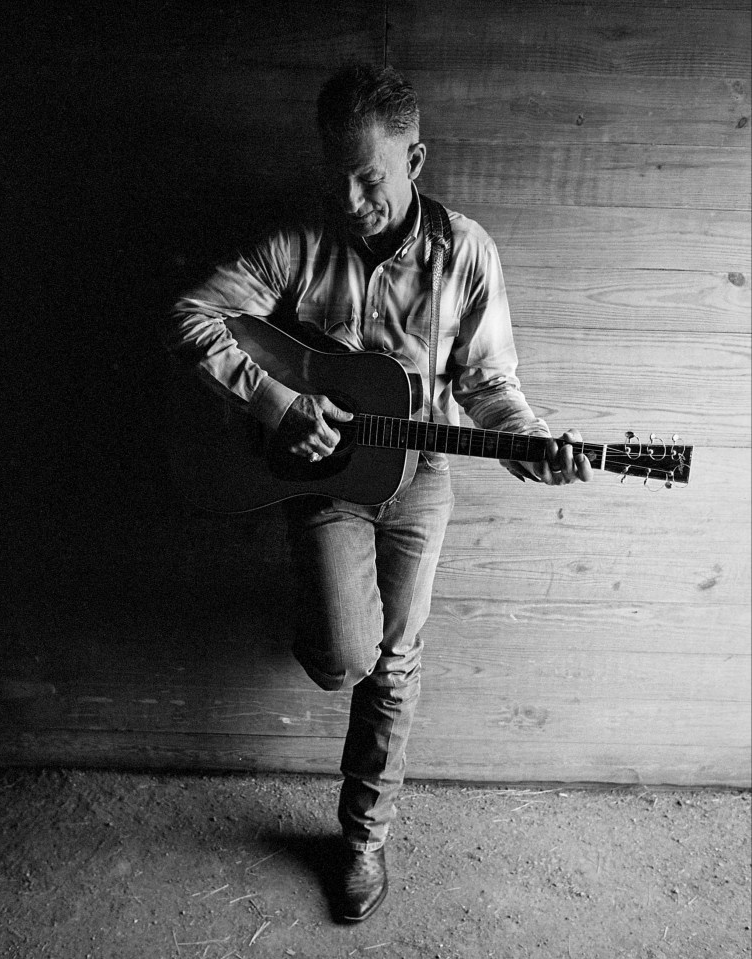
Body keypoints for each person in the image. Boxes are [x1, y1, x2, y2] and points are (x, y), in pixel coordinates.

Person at [165, 62, 592, 922]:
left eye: (372, 177)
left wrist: (530, 442)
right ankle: (329, 622)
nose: (353, 198)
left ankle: (362, 840)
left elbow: (490, 385)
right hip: (325, 479)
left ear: (416, 159)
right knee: (345, 658)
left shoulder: (465, 251)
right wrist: (276, 400)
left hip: (420, 474)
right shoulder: (297, 245)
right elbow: (192, 315)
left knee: (397, 662)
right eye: (338, 175)